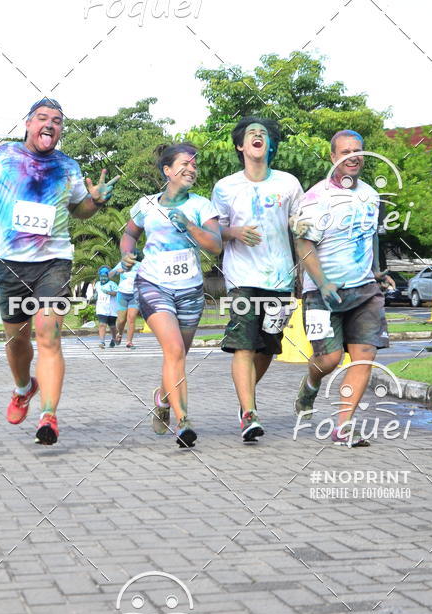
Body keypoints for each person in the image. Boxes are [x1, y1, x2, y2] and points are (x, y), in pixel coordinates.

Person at [0, 97, 118, 446]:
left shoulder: (68, 166)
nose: (49, 124)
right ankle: (24, 388)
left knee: (48, 336)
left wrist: (95, 200)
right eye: (42, 118)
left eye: (57, 120)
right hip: (10, 264)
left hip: (54, 262)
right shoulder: (4, 156)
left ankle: (48, 417)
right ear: (28, 123)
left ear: (61, 130)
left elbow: (80, 211)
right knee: (17, 340)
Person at [291, 129, 395, 446]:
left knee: (363, 358)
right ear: (334, 156)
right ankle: (310, 385)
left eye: (358, 150)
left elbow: (371, 235)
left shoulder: (371, 195)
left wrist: (377, 272)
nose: (354, 156)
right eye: (346, 151)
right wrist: (321, 283)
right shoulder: (315, 197)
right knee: (329, 360)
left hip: (365, 291)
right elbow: (303, 242)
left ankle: (343, 427)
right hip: (322, 292)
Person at [120, 142, 222, 448]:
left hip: (190, 288)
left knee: (178, 355)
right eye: (184, 164)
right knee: (174, 349)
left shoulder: (202, 205)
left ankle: (163, 399)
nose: (191, 168)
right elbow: (129, 234)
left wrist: (189, 225)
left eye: (194, 164)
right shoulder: (146, 204)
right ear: (167, 170)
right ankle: (183, 421)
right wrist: (127, 253)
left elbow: (216, 245)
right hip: (153, 284)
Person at [211, 117, 303, 442]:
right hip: (242, 277)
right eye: (251, 134)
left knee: (268, 348)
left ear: (270, 144)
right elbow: (214, 233)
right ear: (241, 145)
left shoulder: (289, 184)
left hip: (280, 277)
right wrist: (233, 232)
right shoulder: (225, 187)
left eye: (263, 133)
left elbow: (300, 228)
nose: (258, 136)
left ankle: (245, 397)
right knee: (244, 344)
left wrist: (303, 271)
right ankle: (249, 412)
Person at [109, 250, 142, 348]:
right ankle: (119, 333)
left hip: (135, 295)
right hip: (122, 294)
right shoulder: (121, 264)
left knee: (131, 318)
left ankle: (129, 341)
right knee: (121, 320)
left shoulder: (140, 265)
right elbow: (109, 275)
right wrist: (116, 271)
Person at [92, 266, 119, 348]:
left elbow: (116, 293)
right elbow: (96, 292)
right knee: (102, 324)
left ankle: (114, 338)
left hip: (112, 308)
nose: (103, 278)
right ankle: (102, 342)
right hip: (101, 308)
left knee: (112, 325)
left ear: (108, 276)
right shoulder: (97, 284)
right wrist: (95, 296)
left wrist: (108, 292)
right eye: (101, 276)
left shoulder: (112, 284)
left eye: (105, 276)